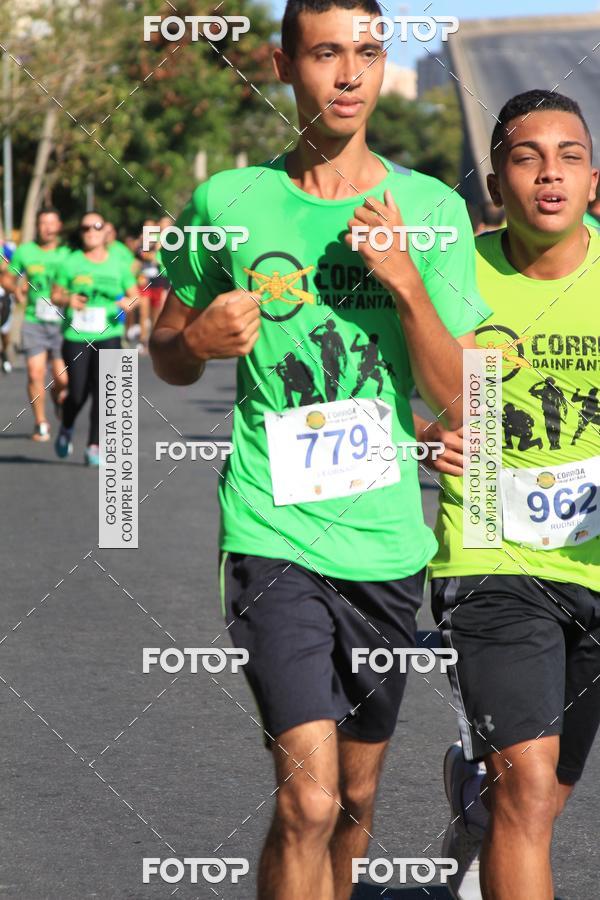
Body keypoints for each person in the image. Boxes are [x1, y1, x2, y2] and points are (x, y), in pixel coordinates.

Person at [151, 2, 491, 897]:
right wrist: (195, 345)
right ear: (282, 64)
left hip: (383, 543)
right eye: (326, 53)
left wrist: (407, 282)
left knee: (354, 801)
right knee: (307, 799)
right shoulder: (228, 202)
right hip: (271, 531)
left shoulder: (431, 208)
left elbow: (459, 398)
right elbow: (165, 350)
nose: (349, 75)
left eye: (368, 54)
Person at [419, 89, 600, 900]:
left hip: (591, 561)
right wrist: (426, 435)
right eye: (526, 158)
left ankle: (476, 804)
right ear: (496, 183)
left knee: (548, 793)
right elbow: (396, 393)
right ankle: (495, 802)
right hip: (491, 557)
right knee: (528, 790)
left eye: (568, 157)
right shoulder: (457, 274)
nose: (548, 175)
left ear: (594, 179)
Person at [52, 211, 139, 465]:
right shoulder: (71, 262)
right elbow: (55, 294)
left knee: (105, 392)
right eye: (85, 228)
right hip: (77, 335)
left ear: (105, 232)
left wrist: (127, 303)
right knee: (77, 392)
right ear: (81, 233)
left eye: (96, 227)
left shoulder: (118, 264)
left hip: (109, 334)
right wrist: (68, 299)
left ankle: (94, 445)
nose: (91, 231)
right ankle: (67, 426)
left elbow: (136, 295)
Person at [2, 208, 70, 439]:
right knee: (35, 372)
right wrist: (16, 290)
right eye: (42, 223)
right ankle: (41, 422)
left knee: (62, 378)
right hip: (34, 320)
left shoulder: (68, 253)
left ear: (59, 226)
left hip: (64, 322)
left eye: (51, 222)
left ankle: (57, 394)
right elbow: (7, 278)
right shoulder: (25, 252)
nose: (47, 227)